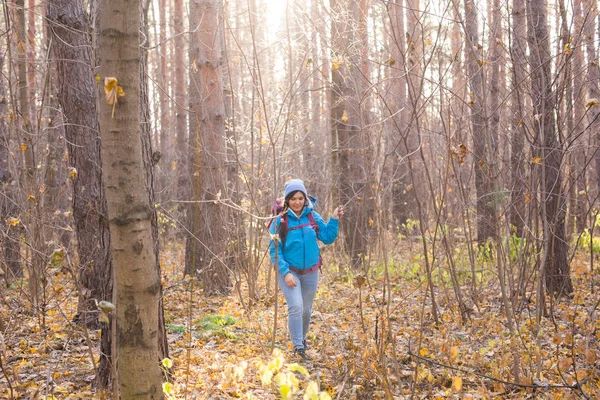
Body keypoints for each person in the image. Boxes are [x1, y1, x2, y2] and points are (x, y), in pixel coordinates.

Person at [269, 179, 344, 361]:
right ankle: (298, 347)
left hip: (311, 271)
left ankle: (302, 339)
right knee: (295, 306)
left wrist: (333, 219)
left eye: (300, 198)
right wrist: (285, 272)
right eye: (293, 198)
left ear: (305, 198)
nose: (297, 202)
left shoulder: (312, 216)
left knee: (306, 310)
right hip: (290, 271)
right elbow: (274, 250)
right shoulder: (280, 221)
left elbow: (327, 237)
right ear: (287, 200)